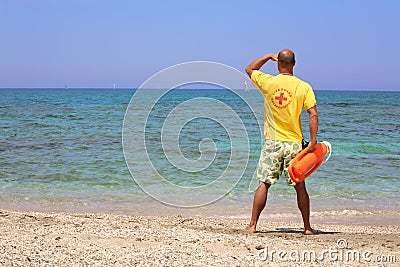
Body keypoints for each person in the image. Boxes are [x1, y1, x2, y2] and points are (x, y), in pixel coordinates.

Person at [245, 49, 318, 235]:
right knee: (300, 186)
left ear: (279, 64)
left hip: (272, 142)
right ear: (294, 63)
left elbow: (249, 69)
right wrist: (312, 142)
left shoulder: (269, 82)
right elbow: (313, 115)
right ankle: (307, 228)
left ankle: (253, 225)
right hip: (294, 143)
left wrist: (267, 57)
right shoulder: (304, 87)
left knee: (264, 184)